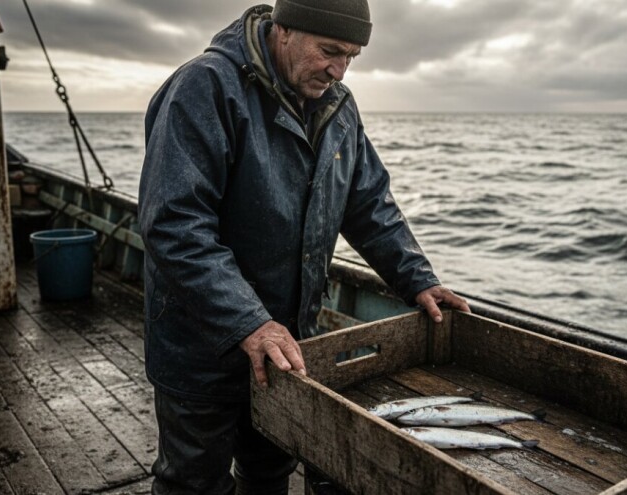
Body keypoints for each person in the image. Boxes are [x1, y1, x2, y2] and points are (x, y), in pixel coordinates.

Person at [137, 1, 470, 494]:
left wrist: (418, 279)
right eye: (330, 51)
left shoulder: (340, 106)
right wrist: (247, 321)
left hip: (288, 345)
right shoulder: (204, 87)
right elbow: (174, 224)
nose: (338, 70)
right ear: (283, 28)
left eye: (351, 57)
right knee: (193, 483)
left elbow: (370, 205)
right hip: (199, 342)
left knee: (270, 472)